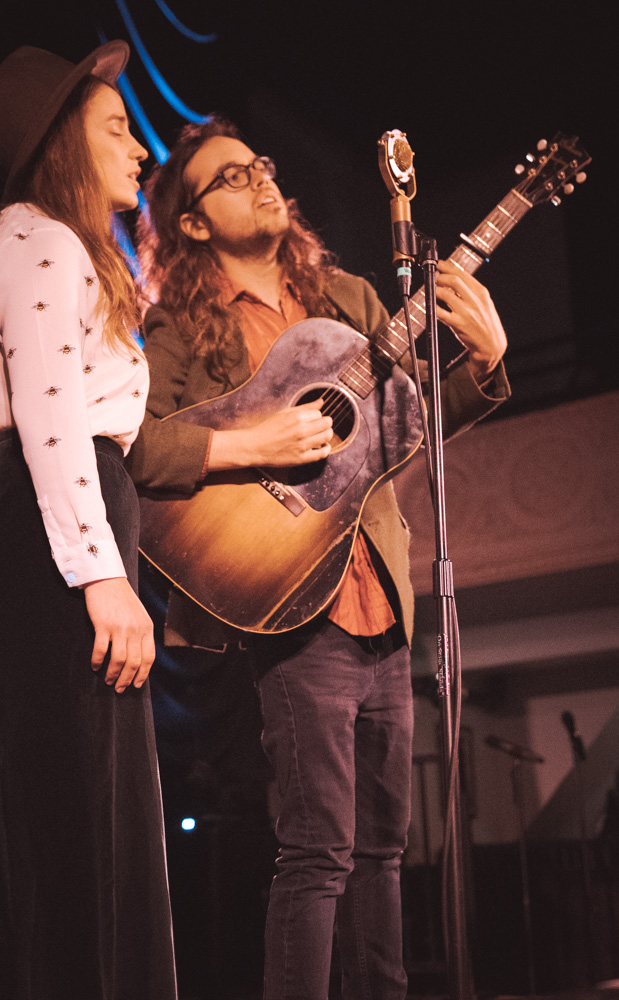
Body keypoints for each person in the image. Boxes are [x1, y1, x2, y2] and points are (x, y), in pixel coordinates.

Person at [128, 117, 510, 1000]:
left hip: (381, 593)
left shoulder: (352, 299)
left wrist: (484, 366)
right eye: (232, 177)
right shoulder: (180, 330)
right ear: (190, 223)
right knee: (319, 851)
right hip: (289, 598)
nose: (261, 179)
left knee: (383, 850)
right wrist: (255, 440)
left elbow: (407, 434)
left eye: (261, 166)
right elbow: (142, 452)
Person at [0, 43, 177, 1000]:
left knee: (95, 800)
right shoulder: (36, 236)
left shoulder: (70, 249)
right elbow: (52, 410)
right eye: (115, 127)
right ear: (60, 142)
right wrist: (100, 576)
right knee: (76, 805)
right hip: (58, 530)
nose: (140, 148)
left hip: (77, 518)